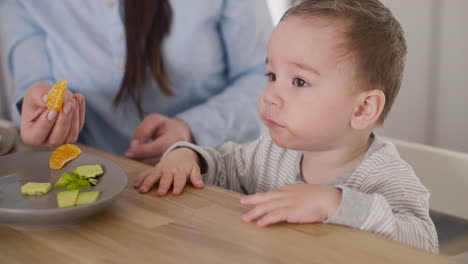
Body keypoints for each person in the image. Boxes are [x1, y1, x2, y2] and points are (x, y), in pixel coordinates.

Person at [134, 0, 439, 253]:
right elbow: (225, 166)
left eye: (300, 81)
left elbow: (425, 243)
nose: (271, 96)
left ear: (363, 108)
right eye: (271, 76)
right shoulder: (271, 152)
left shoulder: (387, 177)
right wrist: (188, 157)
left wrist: (334, 204)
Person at [0, 0, 272, 164]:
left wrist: (192, 129)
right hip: (86, 182)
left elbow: (262, 76)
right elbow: (33, 83)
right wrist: (37, 110)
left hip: (209, 177)